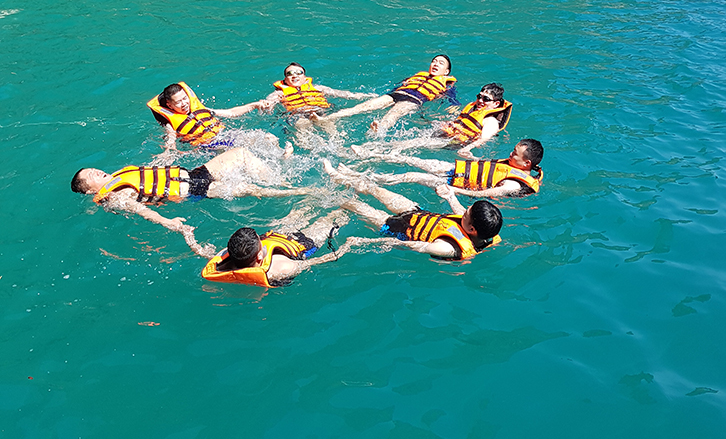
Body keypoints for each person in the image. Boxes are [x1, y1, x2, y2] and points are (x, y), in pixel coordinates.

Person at [71, 147, 309, 255]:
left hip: (192, 175)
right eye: (91, 176)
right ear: (90, 191)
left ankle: (280, 179)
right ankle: (296, 191)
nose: (96, 171)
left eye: (93, 168)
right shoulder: (116, 196)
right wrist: (168, 222)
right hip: (194, 191)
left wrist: (168, 152)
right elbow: (141, 210)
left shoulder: (119, 176)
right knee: (248, 189)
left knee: (242, 154)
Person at [324, 160, 502, 260]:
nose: (462, 211)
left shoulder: (448, 248)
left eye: (466, 213)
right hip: (417, 213)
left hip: (396, 229)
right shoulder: (484, 229)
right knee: (376, 189)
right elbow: (460, 214)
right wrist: (450, 196)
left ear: (472, 229)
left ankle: (322, 194)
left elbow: (412, 245)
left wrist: (365, 242)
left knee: (353, 205)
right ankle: (341, 177)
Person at [201, 209, 366, 286]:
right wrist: (344, 248)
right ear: (259, 257)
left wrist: (189, 238)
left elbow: (206, 254)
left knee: (305, 207)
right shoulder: (282, 268)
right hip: (303, 243)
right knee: (338, 216)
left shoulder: (222, 261)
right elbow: (316, 261)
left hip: (279, 236)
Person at [351, 82, 512, 157]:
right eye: (479, 96)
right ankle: (372, 144)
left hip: (455, 142)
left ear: (496, 103)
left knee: (411, 143)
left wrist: (467, 149)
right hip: (448, 133)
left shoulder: (491, 121)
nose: (480, 101)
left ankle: (370, 151)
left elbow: (484, 139)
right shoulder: (473, 109)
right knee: (413, 137)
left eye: (486, 99)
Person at [351, 138, 544, 198]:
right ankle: (368, 154)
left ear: (527, 164)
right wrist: (473, 157)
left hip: (454, 183)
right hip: (456, 169)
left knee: (411, 175)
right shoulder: (513, 164)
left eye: (514, 154)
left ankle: (362, 176)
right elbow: (490, 168)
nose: (510, 155)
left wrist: (453, 190)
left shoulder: (514, 184)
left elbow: (484, 193)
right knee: (411, 159)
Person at [321, 55, 457, 134]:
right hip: (397, 94)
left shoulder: (446, 84)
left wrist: (451, 114)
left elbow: (452, 100)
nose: (435, 64)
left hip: (414, 100)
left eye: (441, 63)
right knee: (362, 106)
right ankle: (329, 118)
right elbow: (401, 85)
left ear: (446, 72)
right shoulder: (419, 75)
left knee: (394, 113)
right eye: (434, 61)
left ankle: (379, 128)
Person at [147, 81, 278, 153]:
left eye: (185, 98)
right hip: (208, 146)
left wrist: (255, 105)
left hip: (224, 137)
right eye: (178, 102)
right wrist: (168, 152)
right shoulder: (170, 123)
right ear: (169, 105)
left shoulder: (202, 109)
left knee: (269, 138)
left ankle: (281, 157)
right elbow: (170, 138)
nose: (184, 103)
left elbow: (231, 112)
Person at [262, 63, 378, 117]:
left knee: (329, 124)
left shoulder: (318, 88)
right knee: (301, 127)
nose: (294, 75)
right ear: (285, 79)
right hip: (299, 115)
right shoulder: (280, 93)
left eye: (299, 73)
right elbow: (270, 101)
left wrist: (364, 96)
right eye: (290, 74)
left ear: (305, 77)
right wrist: (269, 106)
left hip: (321, 111)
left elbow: (343, 94)